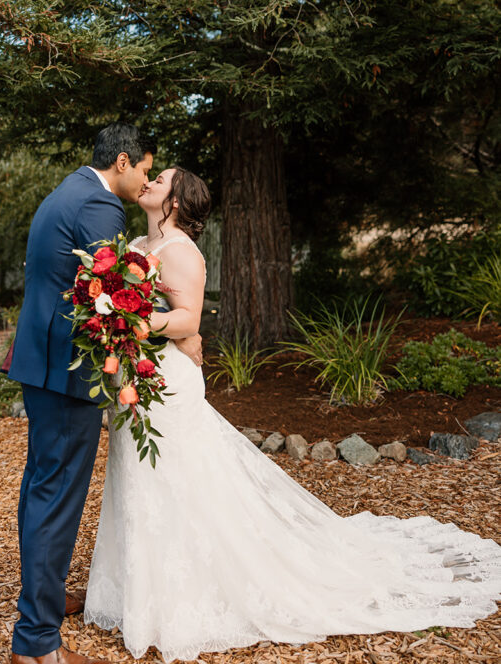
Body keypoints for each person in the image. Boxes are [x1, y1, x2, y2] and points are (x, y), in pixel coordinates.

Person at [84, 166, 501, 663]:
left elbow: (189, 320)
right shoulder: (137, 242)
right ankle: (137, 589)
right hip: (136, 377)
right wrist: (111, 314)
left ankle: (185, 593)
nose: (149, 183)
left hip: (167, 382)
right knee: (135, 475)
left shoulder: (181, 253)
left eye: (161, 180)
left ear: (175, 202)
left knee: (173, 479)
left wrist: (129, 317)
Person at [8, 126, 203, 664]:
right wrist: (186, 333)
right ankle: (37, 644)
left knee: (41, 487)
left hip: (41, 360)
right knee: (56, 495)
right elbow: (111, 298)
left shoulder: (69, 189)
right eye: (144, 169)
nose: (144, 180)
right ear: (122, 161)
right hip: (66, 370)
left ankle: (42, 602)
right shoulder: (100, 206)